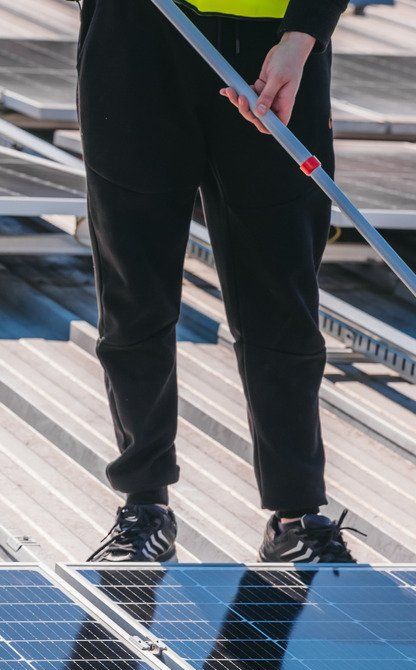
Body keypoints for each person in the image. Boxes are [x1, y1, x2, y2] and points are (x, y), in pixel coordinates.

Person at [80, 0, 356, 564]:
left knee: (282, 290)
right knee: (136, 286)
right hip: (136, 40)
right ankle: (144, 506)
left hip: (276, 44)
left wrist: (302, 37)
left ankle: (296, 515)